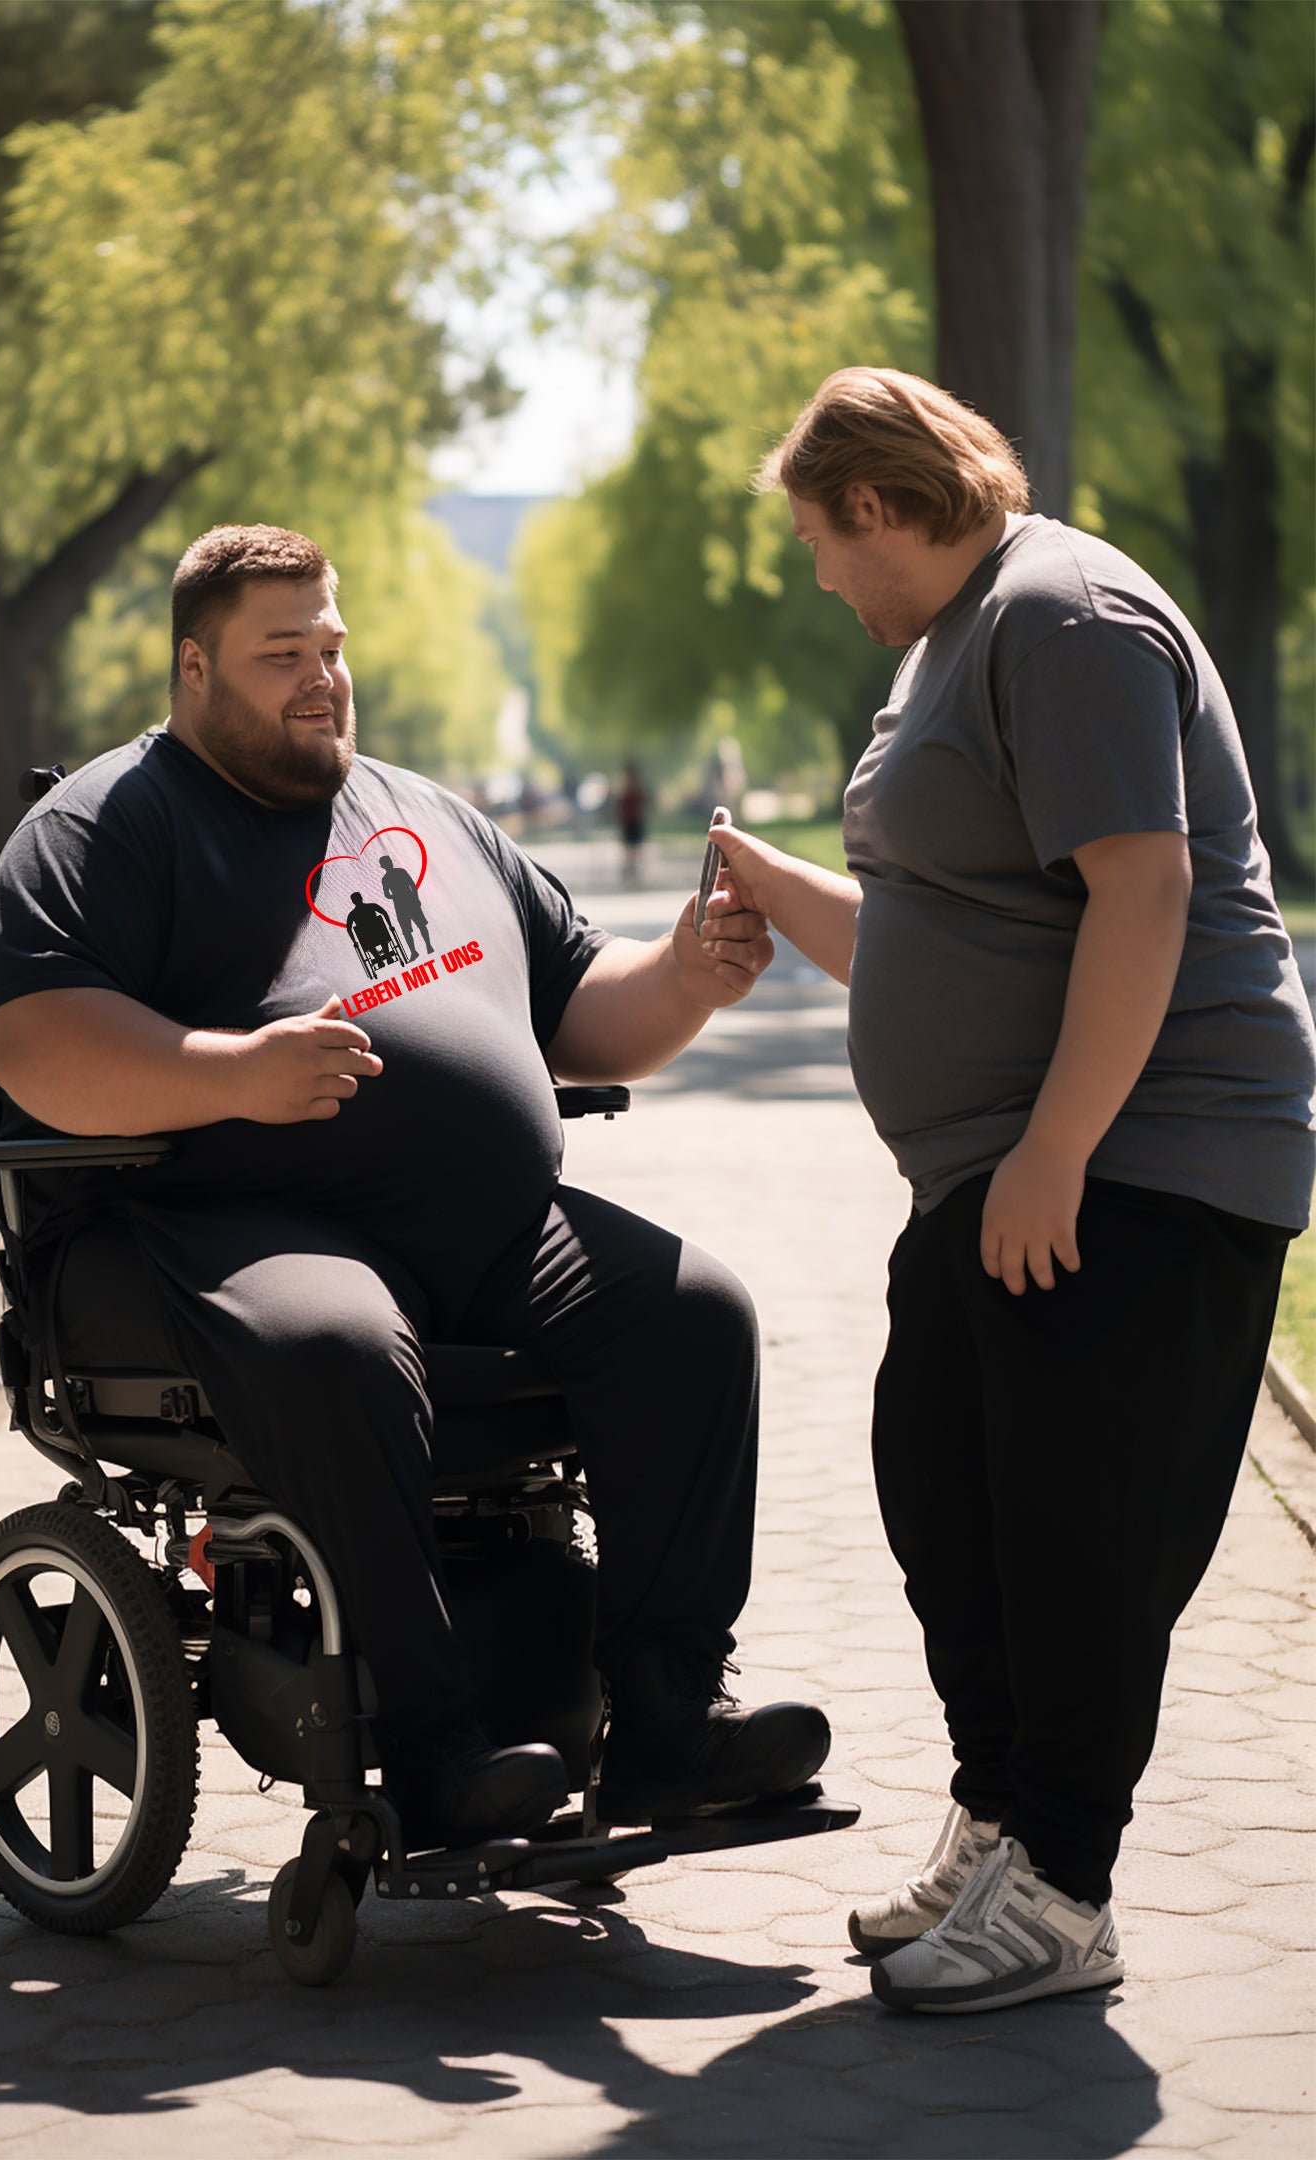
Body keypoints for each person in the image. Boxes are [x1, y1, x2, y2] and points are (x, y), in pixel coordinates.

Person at [0, 523, 831, 1851]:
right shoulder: (103, 826)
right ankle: (432, 1752)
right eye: (281, 655)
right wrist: (234, 1073)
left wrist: (686, 980)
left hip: (480, 1232)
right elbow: (33, 1040)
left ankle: (668, 1725)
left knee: (692, 1311)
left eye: (331, 647)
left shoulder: (424, 810)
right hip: (216, 1225)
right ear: (195, 669)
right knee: (340, 1342)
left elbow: (581, 1012)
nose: (322, 677)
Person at [704, 369, 1316, 2014]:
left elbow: (1147, 886)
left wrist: (1057, 1150)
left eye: (826, 542)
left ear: (888, 505)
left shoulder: (1064, 615)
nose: (823, 576)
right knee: (944, 1501)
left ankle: (1065, 1886)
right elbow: (940, 925)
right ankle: (1002, 1824)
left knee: (1072, 1541)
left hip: (1140, 1162)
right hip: (1009, 1172)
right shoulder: (957, 642)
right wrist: (779, 890)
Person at [378, 851, 432, 960]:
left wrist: (395, 896)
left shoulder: (385, 879)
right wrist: (416, 898)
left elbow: (387, 895)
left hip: (400, 905)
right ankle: (428, 946)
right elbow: (412, 885)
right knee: (420, 925)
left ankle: (414, 951)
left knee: (407, 931)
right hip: (410, 901)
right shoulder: (401, 872)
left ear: (383, 866)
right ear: (390, 863)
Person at [616, 760, 648, 885]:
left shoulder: (637, 786)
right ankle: (629, 871)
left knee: (636, 847)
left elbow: (644, 801)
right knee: (628, 847)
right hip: (627, 820)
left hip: (635, 819)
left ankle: (635, 870)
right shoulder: (623, 787)